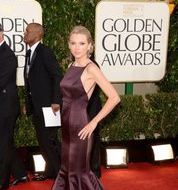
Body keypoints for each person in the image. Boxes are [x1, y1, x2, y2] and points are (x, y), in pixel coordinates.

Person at [52, 26, 120, 190]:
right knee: (67, 169)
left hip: (81, 125)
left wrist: (94, 122)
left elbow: (114, 97)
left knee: (78, 171)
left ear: (89, 46)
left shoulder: (91, 68)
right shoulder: (71, 65)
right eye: (73, 43)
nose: (77, 47)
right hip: (66, 125)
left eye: (82, 43)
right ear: (69, 45)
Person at [23, 23, 62, 181]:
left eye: (28, 31)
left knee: (50, 141)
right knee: (43, 142)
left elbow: (57, 76)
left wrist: (55, 100)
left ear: (38, 35)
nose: (24, 33)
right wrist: (28, 102)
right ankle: (51, 171)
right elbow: (30, 81)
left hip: (49, 107)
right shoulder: (29, 53)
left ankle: (62, 173)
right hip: (37, 106)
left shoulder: (45, 51)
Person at [0, 24, 28, 190]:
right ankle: (20, 173)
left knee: (2, 145)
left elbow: (2, 81)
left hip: (5, 108)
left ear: (1, 33)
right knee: (6, 142)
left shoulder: (8, 55)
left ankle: (2, 183)